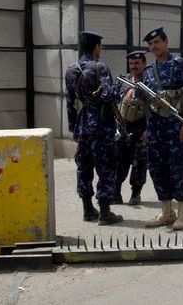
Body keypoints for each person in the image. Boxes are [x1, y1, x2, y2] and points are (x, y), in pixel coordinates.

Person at [64, 31, 123, 225]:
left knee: (84, 167)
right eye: (101, 46)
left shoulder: (71, 70)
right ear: (96, 47)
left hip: (83, 126)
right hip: (101, 124)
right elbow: (108, 95)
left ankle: (88, 209)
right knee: (106, 166)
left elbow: (70, 102)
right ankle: (105, 211)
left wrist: (74, 128)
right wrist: (116, 92)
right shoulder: (100, 67)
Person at [141, 27, 183, 230]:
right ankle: (167, 212)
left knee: (178, 168)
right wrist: (146, 128)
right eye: (150, 44)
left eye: (157, 42)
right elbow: (147, 103)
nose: (153, 47)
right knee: (157, 169)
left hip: (175, 127)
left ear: (166, 42)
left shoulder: (178, 64)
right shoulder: (147, 72)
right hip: (155, 129)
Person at [111, 50, 149, 206]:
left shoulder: (149, 83)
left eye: (137, 63)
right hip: (123, 127)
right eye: (131, 63)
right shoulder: (123, 81)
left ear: (144, 64)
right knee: (119, 161)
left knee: (139, 162)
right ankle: (116, 192)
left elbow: (153, 108)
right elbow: (112, 100)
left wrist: (149, 130)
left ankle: (136, 192)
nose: (133, 66)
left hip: (140, 128)